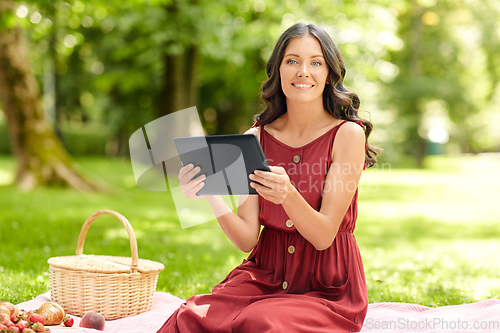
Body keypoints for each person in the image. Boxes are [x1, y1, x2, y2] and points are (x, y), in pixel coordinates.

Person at [157, 22, 380, 333]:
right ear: (278, 70)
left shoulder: (347, 135)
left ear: (329, 74)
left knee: (261, 321)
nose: (304, 71)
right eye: (292, 61)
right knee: (191, 315)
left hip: (327, 287)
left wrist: (287, 194)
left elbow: (324, 235)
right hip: (265, 275)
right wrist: (210, 193)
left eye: (316, 62)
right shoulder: (256, 138)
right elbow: (248, 238)